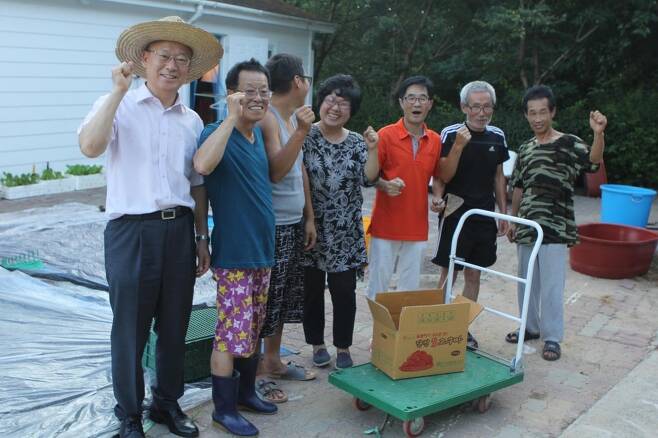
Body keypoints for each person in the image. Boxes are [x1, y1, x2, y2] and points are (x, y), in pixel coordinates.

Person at [78, 16, 220, 438]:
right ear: (144, 59)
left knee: (175, 324)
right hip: (131, 233)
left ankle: (166, 403)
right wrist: (117, 91)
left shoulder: (191, 120)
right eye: (163, 56)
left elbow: (196, 186)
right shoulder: (117, 104)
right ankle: (129, 413)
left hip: (178, 232)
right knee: (130, 329)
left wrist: (201, 236)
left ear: (189, 68)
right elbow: (89, 146)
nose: (171, 65)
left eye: (181, 59)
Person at [193, 58, 277, 437]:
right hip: (235, 255)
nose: (258, 98)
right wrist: (229, 117)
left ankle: (245, 393)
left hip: (262, 250)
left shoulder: (257, 134)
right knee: (231, 332)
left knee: (253, 328)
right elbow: (202, 166)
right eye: (249, 91)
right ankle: (222, 410)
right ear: (232, 94)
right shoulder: (216, 131)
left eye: (263, 91)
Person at [507, 85, 607, 362]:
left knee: (551, 285)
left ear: (552, 112)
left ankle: (552, 337)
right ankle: (529, 327)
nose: (537, 118)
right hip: (527, 226)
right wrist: (514, 221)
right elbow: (517, 187)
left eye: (542, 112)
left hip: (555, 227)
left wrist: (598, 134)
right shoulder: (525, 148)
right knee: (525, 282)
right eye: (532, 113)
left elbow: (594, 162)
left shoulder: (569, 143)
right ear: (526, 116)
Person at [302, 74, 380, 369]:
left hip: (346, 230)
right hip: (311, 226)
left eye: (343, 103)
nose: (335, 107)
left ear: (351, 110)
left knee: (344, 291)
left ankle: (344, 346)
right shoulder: (305, 135)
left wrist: (373, 149)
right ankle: (317, 344)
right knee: (311, 291)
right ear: (320, 102)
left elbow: (368, 178)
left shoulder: (358, 142)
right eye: (330, 100)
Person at [255, 54, 317, 401]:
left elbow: (300, 170)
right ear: (297, 81)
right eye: (305, 78)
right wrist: (302, 131)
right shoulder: (268, 119)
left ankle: (275, 360)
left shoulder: (293, 117)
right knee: (266, 300)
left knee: (283, 298)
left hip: (293, 222)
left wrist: (309, 216)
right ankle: (260, 371)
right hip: (272, 226)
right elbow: (276, 170)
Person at [431, 80, 509, 349]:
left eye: (487, 107)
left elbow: (499, 177)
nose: (481, 112)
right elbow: (441, 174)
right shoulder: (451, 133)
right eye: (475, 106)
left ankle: (461, 329)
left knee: (474, 275)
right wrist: (438, 197)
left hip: (484, 213)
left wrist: (504, 213)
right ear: (464, 107)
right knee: (449, 271)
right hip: (455, 212)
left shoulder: (497, 136)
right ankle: (439, 327)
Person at [367, 75, 443, 300]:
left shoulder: (436, 140)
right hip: (385, 223)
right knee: (378, 286)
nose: (416, 103)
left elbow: (438, 177)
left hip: (417, 226)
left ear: (430, 104)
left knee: (408, 290)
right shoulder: (385, 135)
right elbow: (369, 177)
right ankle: (378, 334)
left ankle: (400, 335)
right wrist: (385, 184)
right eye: (411, 98)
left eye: (422, 98)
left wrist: (437, 197)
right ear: (401, 102)